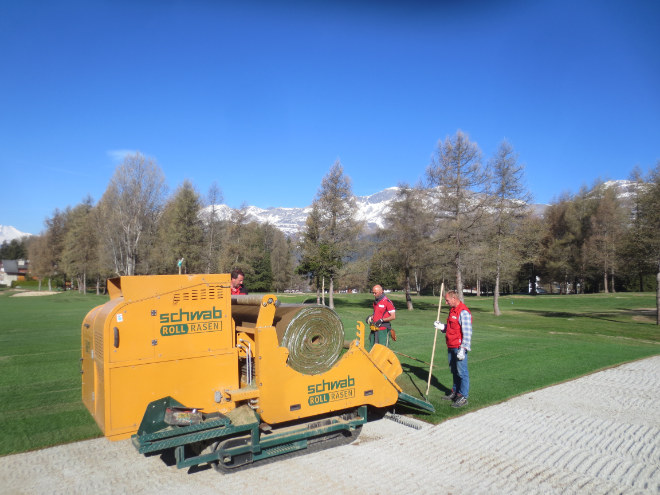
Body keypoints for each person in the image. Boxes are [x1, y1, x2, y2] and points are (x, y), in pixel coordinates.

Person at [434, 290, 472, 408]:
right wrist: (442, 327)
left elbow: (467, 332)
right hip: (450, 345)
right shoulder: (452, 310)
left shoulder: (463, 312)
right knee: (454, 371)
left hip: (459, 347)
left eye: (447, 300)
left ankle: (463, 396)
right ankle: (455, 392)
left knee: (462, 372)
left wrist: (463, 348)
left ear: (454, 298)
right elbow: (451, 328)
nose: (446, 302)